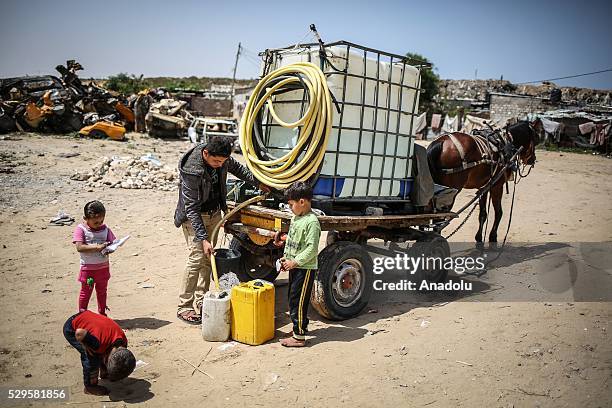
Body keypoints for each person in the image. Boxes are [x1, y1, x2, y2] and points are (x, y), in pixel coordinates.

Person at [174, 136, 269, 324]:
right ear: (205, 153)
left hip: (214, 213)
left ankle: (201, 301)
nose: (219, 165)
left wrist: (259, 183)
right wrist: (202, 238)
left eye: (223, 162)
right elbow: (191, 207)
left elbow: (239, 169)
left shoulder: (222, 158)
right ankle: (184, 306)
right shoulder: (192, 170)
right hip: (194, 217)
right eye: (216, 161)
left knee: (209, 258)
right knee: (196, 259)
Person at [274, 181, 321, 347]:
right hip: (294, 267)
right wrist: (284, 249)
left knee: (298, 302)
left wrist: (294, 262)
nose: (290, 208)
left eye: (291, 204)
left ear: (302, 202)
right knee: (292, 299)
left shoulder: (312, 222)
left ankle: (299, 337)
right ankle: (299, 327)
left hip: (304, 268)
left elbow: (311, 249)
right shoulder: (296, 217)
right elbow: (294, 239)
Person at [63, 310, 135, 395]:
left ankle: (104, 372)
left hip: (87, 317)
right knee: (91, 357)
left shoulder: (123, 341)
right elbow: (79, 333)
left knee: (99, 352)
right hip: (72, 327)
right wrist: (85, 344)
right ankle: (90, 387)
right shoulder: (97, 343)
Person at [73, 201, 115, 315]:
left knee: (102, 291)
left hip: (103, 268)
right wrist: (97, 247)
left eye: (101, 221)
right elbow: (79, 247)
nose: (99, 224)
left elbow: (112, 243)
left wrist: (111, 247)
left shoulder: (105, 229)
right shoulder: (81, 229)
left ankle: (102, 313)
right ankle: (82, 314)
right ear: (85, 218)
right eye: (96, 222)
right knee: (86, 292)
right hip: (88, 269)